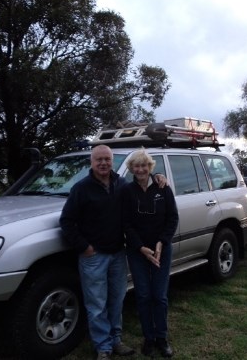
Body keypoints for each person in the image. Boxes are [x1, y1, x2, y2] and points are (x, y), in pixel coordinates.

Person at [60, 144, 166, 360]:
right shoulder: (81, 188)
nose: (103, 163)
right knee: (97, 304)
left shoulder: (121, 184)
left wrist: (157, 177)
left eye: (107, 159)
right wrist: (84, 247)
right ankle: (103, 347)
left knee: (117, 300)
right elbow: (67, 221)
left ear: (112, 162)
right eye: (99, 159)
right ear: (92, 162)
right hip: (93, 256)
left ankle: (116, 340)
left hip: (118, 253)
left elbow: (142, 182)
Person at [120, 149, 179, 358]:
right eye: (136, 166)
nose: (141, 169)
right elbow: (126, 223)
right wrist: (140, 248)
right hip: (138, 252)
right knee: (143, 295)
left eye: (144, 165)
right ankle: (149, 338)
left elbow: (172, 218)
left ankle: (162, 338)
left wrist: (162, 242)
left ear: (150, 167)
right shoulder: (127, 191)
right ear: (131, 169)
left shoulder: (162, 187)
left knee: (160, 296)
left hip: (162, 249)